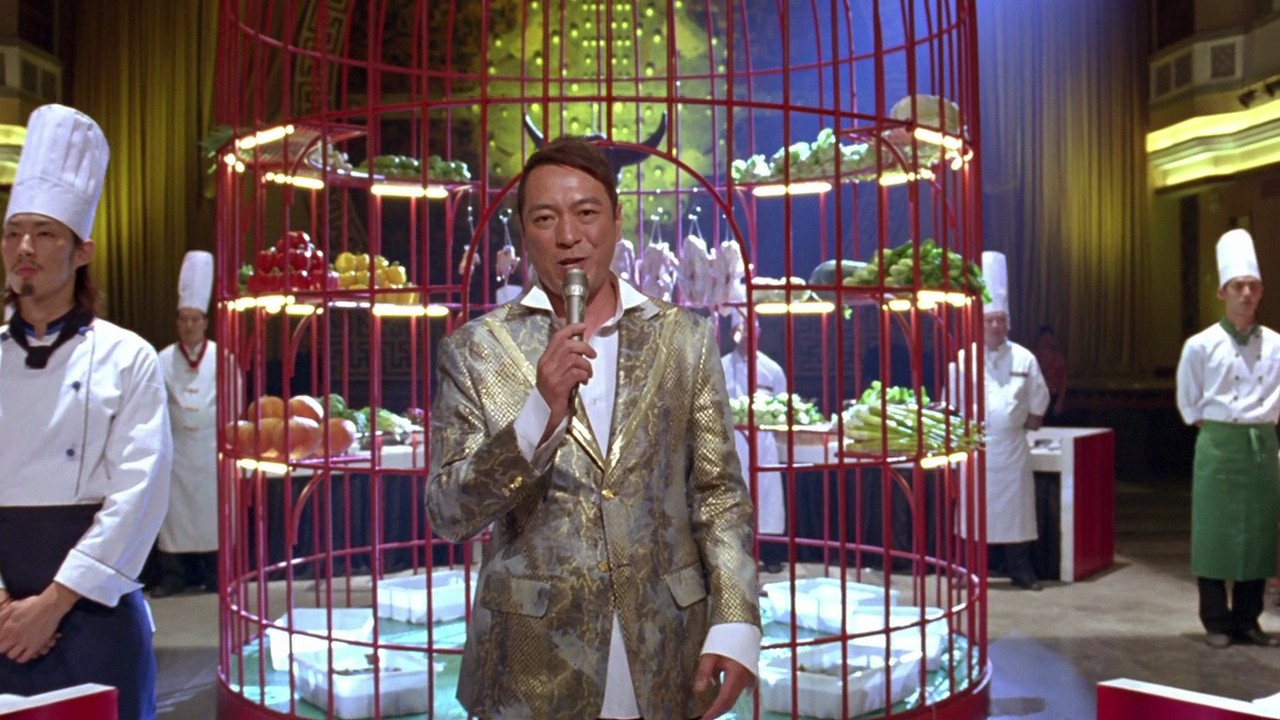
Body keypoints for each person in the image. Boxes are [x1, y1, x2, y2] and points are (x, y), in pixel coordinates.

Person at [426, 136, 760, 719]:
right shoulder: (476, 349)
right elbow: (448, 512)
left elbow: (718, 494)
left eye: (586, 212)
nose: (568, 236)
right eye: (545, 218)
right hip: (530, 666)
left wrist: (735, 620)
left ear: (616, 219)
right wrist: (539, 413)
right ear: (524, 232)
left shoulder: (683, 338)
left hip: (666, 647)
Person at [0, 104, 172, 719]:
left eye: (45, 233)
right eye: (13, 232)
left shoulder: (130, 357)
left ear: (81, 251)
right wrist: (6, 607)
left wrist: (51, 604)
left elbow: (138, 496)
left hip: (95, 612)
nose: (24, 247)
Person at [1175, 228, 1280, 649]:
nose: (1246, 294)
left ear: (1261, 292)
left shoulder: (1276, 344)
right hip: (1218, 445)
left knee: (1259, 535)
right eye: (1238, 286)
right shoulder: (1200, 346)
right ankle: (1216, 621)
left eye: (1253, 286)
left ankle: (1248, 621)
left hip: (1262, 446)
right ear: (1222, 293)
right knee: (1214, 534)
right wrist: (1220, 431)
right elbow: (1189, 402)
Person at [954, 251, 1050, 590]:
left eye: (1001, 320)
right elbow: (952, 406)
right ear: (978, 323)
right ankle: (970, 571)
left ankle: (1021, 571)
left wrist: (1018, 424)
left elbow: (1038, 404)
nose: (995, 326)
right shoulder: (964, 359)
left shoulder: (1025, 358)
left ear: (1008, 323)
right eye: (989, 320)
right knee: (974, 514)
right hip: (976, 451)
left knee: (1016, 516)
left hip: (1012, 452)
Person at [153, 251, 220, 597]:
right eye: (184, 319)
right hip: (176, 452)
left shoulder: (223, 358)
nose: (189, 326)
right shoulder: (162, 359)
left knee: (212, 516)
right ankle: (173, 577)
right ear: (177, 322)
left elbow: (233, 405)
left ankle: (216, 574)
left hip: (211, 452)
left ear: (205, 322)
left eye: (195, 319)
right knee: (173, 517)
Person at [721, 310, 788, 574]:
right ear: (732, 334)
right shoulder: (720, 366)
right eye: (743, 330)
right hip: (732, 442)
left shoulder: (772, 369)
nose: (749, 335)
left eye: (753, 330)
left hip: (763, 444)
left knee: (767, 495)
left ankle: (770, 553)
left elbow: (783, 406)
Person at [1034, 325, 1067, 424]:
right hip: (1037, 398)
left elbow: (1063, 382)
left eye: (1049, 337)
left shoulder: (1058, 359)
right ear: (1039, 338)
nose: (1047, 340)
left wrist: (1060, 401)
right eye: (1044, 337)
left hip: (1053, 398)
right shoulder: (1032, 359)